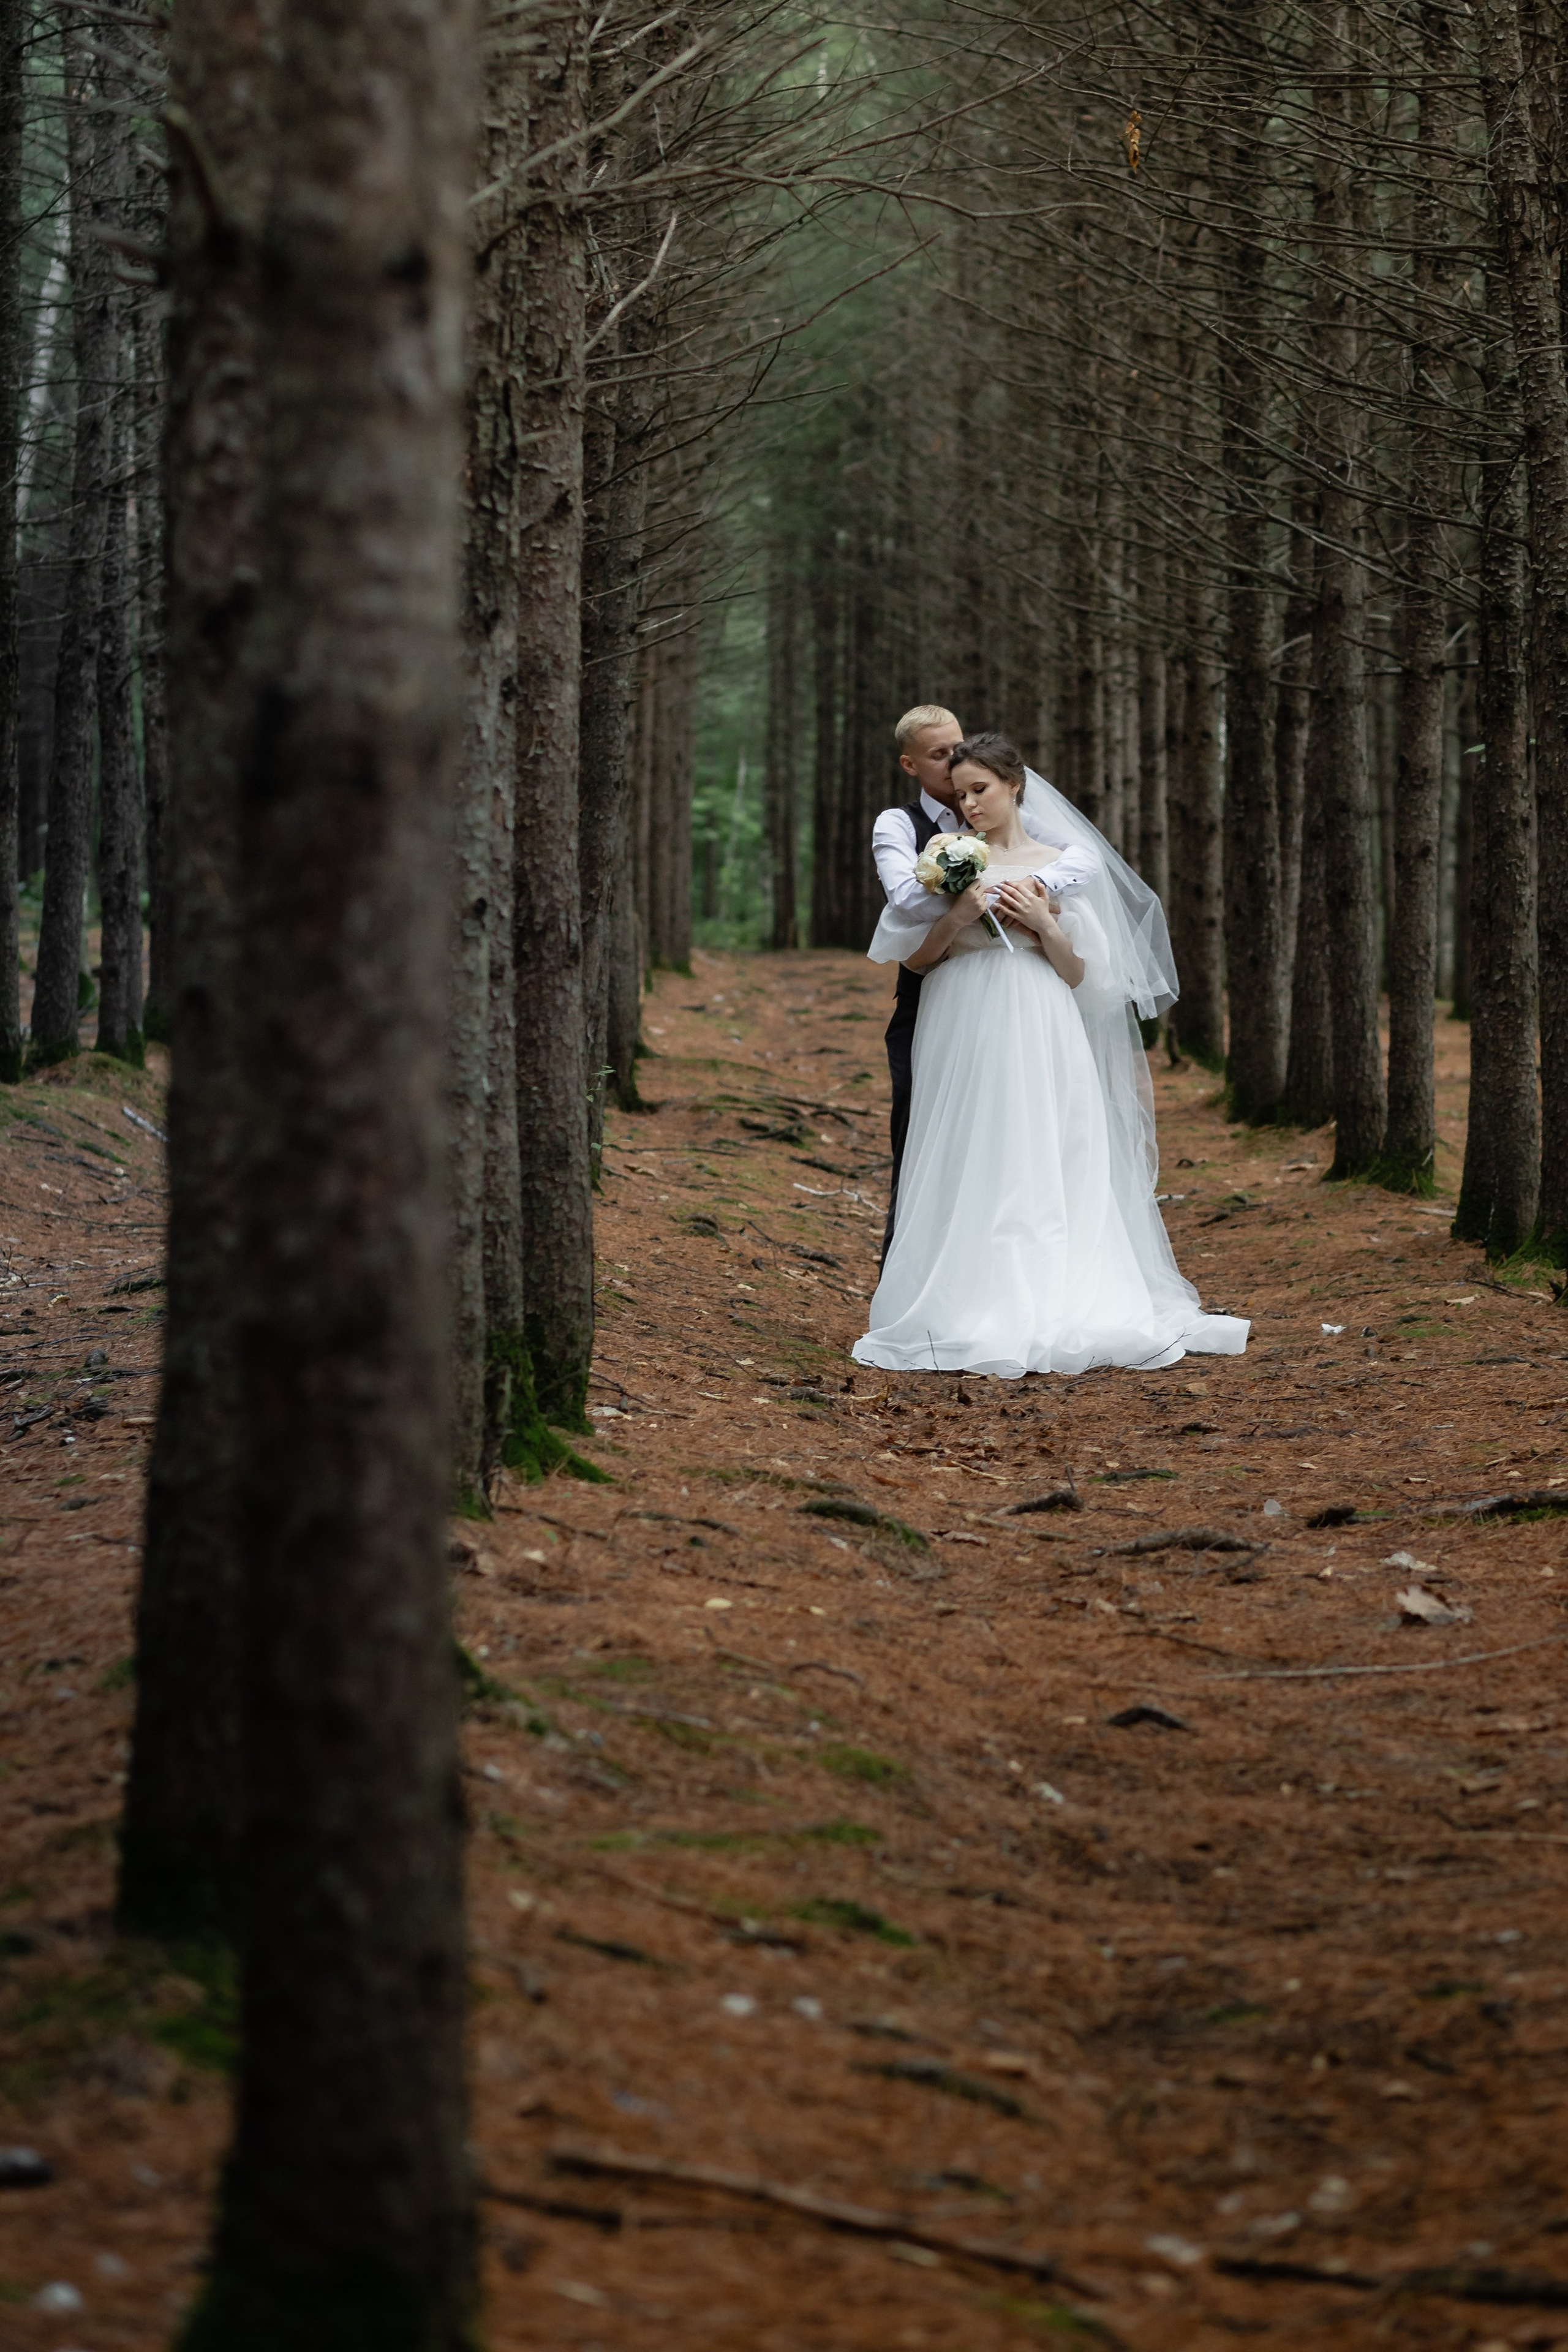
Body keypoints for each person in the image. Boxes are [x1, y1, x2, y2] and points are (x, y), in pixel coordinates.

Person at [854, 733, 1248, 1378]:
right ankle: (962, 1298)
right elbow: (918, 960)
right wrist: (956, 916)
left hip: (1038, 1014)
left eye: (980, 790)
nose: (969, 805)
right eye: (959, 795)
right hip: (957, 1016)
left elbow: (1076, 973)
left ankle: (1050, 1292)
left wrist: (1043, 922)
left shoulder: (1063, 861)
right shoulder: (945, 859)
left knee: (1042, 1143)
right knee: (967, 1145)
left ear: (1014, 785)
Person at [872, 705, 1059, 1261]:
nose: (954, 762)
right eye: (938, 755)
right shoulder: (902, 825)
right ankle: (908, 1273)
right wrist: (967, 890)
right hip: (932, 999)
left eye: (957, 747)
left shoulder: (1005, 810)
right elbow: (906, 898)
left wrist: (1038, 888)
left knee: (1016, 1133)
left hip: (1017, 1001)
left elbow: (1076, 861)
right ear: (910, 764)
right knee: (924, 1137)